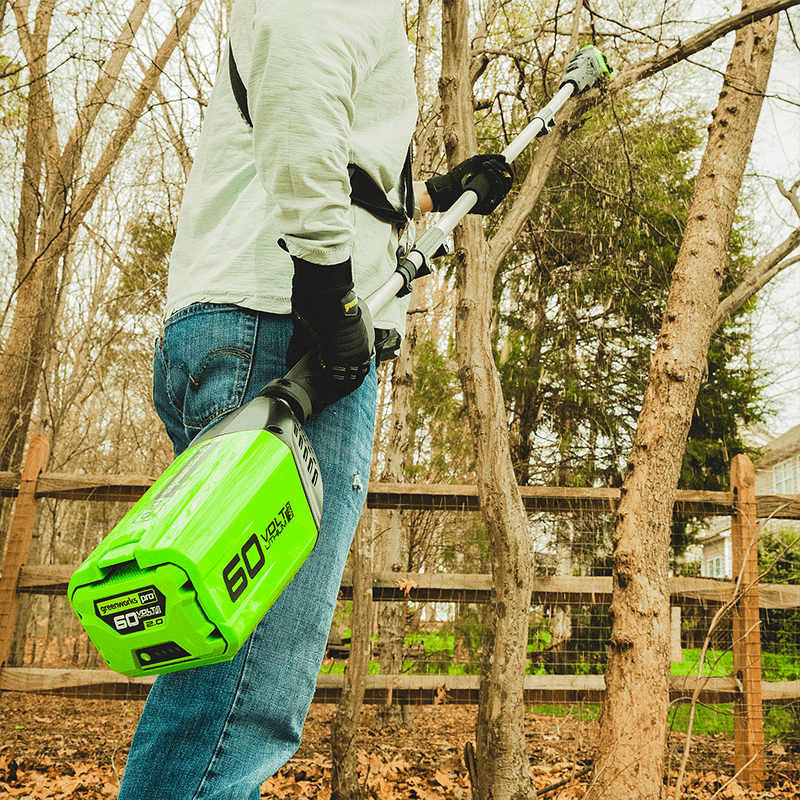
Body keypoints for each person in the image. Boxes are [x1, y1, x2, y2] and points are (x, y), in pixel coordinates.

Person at [117, 1, 512, 797]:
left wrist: (433, 194)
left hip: (250, 324)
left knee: (221, 656)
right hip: (283, 334)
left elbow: (333, 155)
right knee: (244, 696)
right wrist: (330, 293)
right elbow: (300, 95)